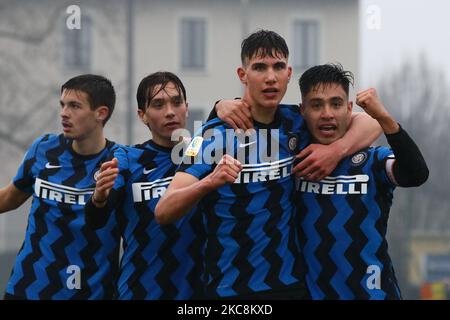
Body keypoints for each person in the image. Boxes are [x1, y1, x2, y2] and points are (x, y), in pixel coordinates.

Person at [155, 30, 381, 299]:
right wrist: (210, 182)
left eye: (278, 67)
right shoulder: (208, 135)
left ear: (288, 73)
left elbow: (371, 123)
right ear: (242, 75)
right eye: (260, 67)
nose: (270, 77)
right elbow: (163, 210)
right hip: (230, 288)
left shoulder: (297, 121)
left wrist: (335, 151)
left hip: (290, 285)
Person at [295, 63, 429, 299]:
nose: (327, 113)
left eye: (336, 104)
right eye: (317, 105)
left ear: (349, 109)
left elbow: (416, 174)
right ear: (302, 110)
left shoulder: (371, 160)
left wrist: (385, 118)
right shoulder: (292, 159)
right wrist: (220, 107)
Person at [84, 71, 204, 299]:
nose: (170, 112)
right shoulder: (128, 158)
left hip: (196, 293)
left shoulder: (203, 152)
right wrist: (99, 196)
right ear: (142, 115)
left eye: (176, 102)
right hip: (139, 291)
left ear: (186, 108)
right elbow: (95, 219)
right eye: (158, 105)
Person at [0, 74, 121, 300]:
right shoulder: (44, 149)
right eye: (62, 105)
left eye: (75, 106)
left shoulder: (119, 161)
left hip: (90, 293)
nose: (64, 113)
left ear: (100, 113)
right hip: (28, 290)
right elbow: (8, 198)